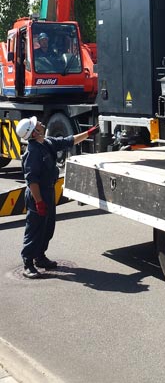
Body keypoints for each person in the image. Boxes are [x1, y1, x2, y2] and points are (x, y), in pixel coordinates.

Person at [16, 116, 96, 279]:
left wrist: (89, 133)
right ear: (34, 132)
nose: (40, 123)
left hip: (48, 191)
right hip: (37, 195)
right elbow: (32, 181)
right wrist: (39, 202)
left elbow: (69, 141)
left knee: (47, 228)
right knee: (35, 230)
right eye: (36, 124)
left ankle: (40, 257)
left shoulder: (47, 142)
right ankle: (28, 263)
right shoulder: (33, 152)